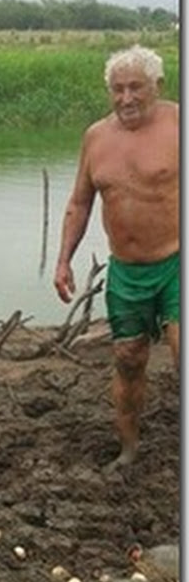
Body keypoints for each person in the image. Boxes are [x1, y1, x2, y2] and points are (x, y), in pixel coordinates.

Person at [53, 45, 179, 472]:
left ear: (157, 87)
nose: (126, 98)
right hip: (126, 270)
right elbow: (79, 203)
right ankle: (128, 449)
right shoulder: (96, 137)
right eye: (117, 89)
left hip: (176, 260)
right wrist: (63, 260)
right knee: (128, 360)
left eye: (136, 88)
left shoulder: (178, 122)